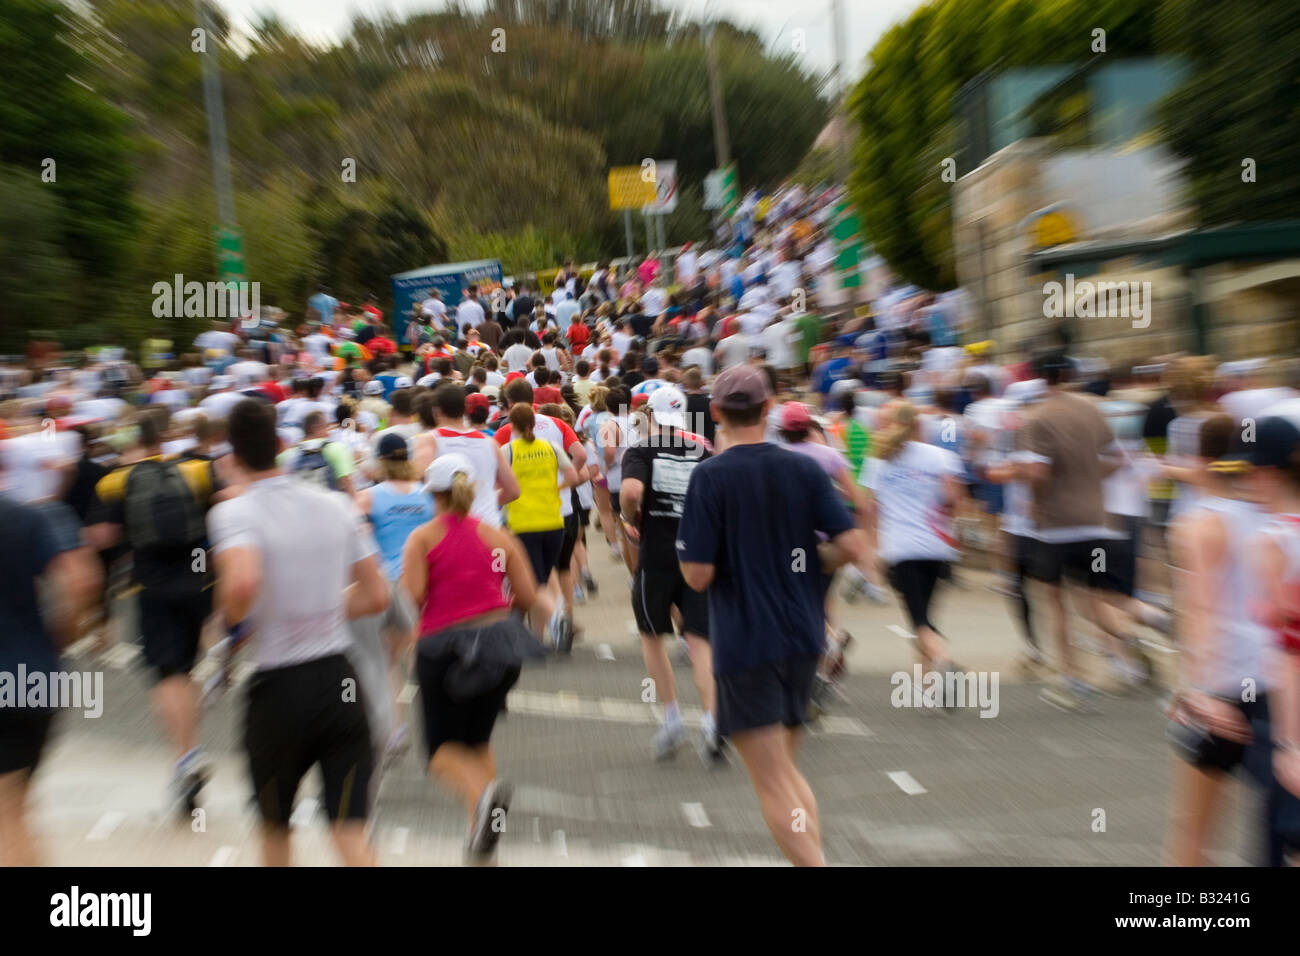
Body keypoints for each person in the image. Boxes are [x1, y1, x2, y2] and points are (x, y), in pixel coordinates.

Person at [677, 365, 864, 866]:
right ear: (769, 408)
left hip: (745, 641)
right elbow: (850, 543)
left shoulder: (710, 475)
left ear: (716, 412)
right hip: (803, 636)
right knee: (786, 770)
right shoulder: (803, 468)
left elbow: (695, 575)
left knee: (773, 778)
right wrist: (810, 565)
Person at [207, 399, 389, 866]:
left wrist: (235, 625)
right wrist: (324, 606)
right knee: (350, 830)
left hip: (279, 686)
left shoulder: (233, 512)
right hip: (340, 678)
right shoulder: (335, 504)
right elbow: (376, 596)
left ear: (233, 455)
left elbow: (242, 585)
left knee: (275, 832)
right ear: (282, 445)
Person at [400, 454, 545, 862]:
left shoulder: (423, 538)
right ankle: (482, 836)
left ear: (435, 494)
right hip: (500, 644)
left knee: (441, 750)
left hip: (446, 645)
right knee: (477, 741)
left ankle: (482, 801)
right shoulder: (498, 537)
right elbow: (530, 596)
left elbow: (411, 598)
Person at [91, 410, 219, 816]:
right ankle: (216, 660)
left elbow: (103, 539)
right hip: (200, 583)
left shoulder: (117, 480)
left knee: (168, 675)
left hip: (153, 590)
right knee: (188, 669)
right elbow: (225, 507)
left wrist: (103, 612)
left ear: (134, 440)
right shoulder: (197, 469)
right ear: (166, 437)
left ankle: (185, 756)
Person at [1163, 414, 1272, 866]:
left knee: (1191, 831)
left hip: (1223, 687)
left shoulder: (1198, 524)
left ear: (1200, 459)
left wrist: (1197, 688)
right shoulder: (1278, 519)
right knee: (1282, 824)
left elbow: (1199, 611)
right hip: (1277, 684)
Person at [619, 386, 721, 763]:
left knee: (652, 635)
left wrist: (632, 519)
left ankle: (673, 718)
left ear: (650, 414)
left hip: (658, 555)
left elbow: (630, 492)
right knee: (700, 640)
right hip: (697, 555)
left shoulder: (642, 449)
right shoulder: (703, 450)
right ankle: (711, 721)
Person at [0, 486, 99, 865]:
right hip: (31, 678)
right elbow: (78, 580)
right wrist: (62, 635)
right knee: (14, 808)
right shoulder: (28, 517)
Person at [860, 400, 964, 679]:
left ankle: (943, 661)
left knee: (918, 620)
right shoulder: (940, 457)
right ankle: (925, 685)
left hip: (901, 548)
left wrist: (873, 549)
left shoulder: (879, 457)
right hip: (937, 547)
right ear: (920, 424)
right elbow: (954, 500)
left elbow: (870, 509)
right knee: (925, 617)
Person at [502, 403, 579, 650]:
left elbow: (500, 486)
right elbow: (574, 477)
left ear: (511, 425)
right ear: (533, 424)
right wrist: (553, 489)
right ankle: (537, 638)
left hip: (524, 524)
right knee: (542, 582)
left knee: (534, 585)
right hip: (554, 522)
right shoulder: (551, 447)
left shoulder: (508, 451)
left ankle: (558, 618)